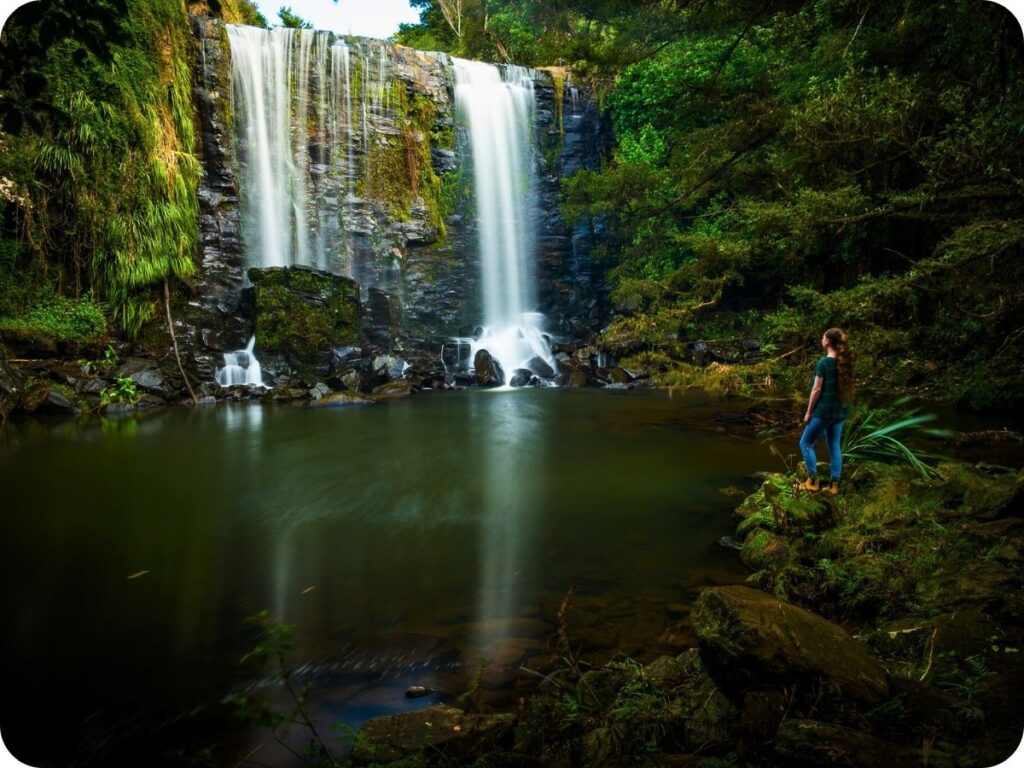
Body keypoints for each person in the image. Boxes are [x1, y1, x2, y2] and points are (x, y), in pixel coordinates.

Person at [798, 327, 854, 494]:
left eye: (823, 337)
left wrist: (808, 412)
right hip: (839, 412)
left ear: (828, 341)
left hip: (824, 411)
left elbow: (816, 390)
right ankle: (833, 486)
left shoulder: (824, 363)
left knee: (805, 443)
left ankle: (813, 481)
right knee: (835, 447)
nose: (821, 339)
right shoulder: (844, 363)